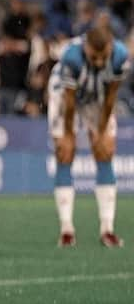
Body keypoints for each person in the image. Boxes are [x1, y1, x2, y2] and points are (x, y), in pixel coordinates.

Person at [47, 15, 129, 248]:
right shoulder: (71, 57)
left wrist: (101, 132)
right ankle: (67, 229)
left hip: (98, 95)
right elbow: (71, 102)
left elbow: (111, 96)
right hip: (64, 95)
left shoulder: (120, 57)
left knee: (105, 151)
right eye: (94, 57)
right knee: (65, 151)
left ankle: (107, 229)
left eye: (104, 58)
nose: (100, 63)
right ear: (86, 48)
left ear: (111, 48)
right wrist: (69, 134)